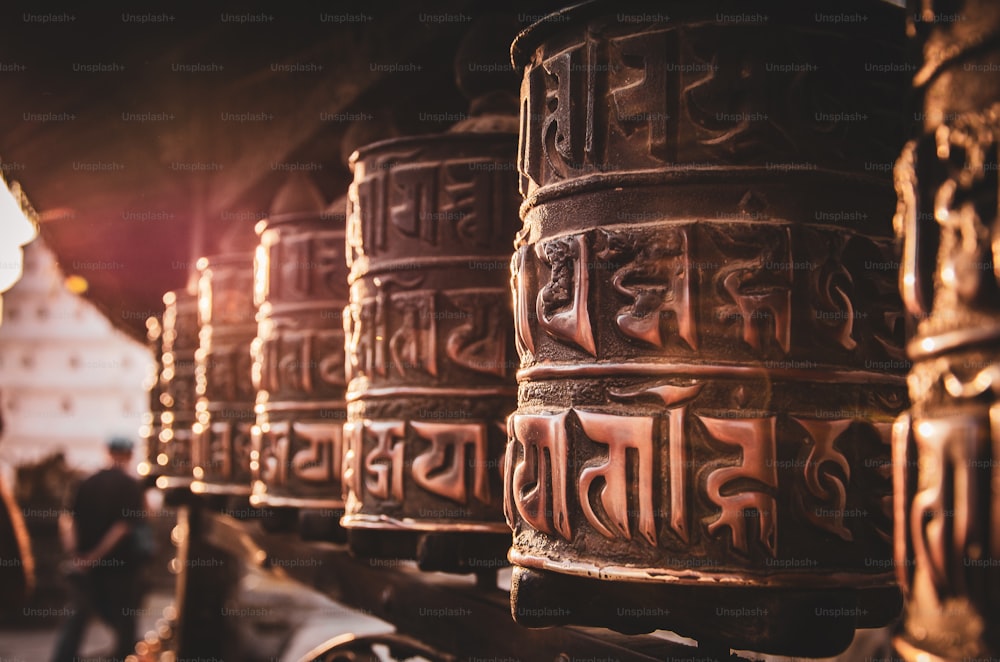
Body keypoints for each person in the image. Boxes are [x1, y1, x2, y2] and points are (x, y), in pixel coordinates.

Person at [52, 437, 148, 662]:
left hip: (85, 567)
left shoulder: (86, 482)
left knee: (76, 619)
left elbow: (69, 520)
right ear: (129, 455)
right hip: (121, 569)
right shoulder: (131, 486)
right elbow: (122, 528)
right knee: (123, 625)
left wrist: (77, 555)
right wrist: (96, 556)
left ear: (107, 452)